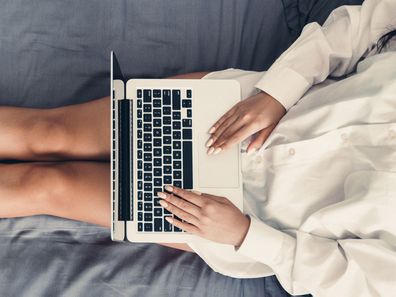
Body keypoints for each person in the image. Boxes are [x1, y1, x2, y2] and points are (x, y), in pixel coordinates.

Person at [0, 0, 395, 295]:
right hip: (229, 113)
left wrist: (244, 235)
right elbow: (362, 27)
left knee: (46, 186)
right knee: (47, 131)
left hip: (231, 214)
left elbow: (348, 276)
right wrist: (277, 93)